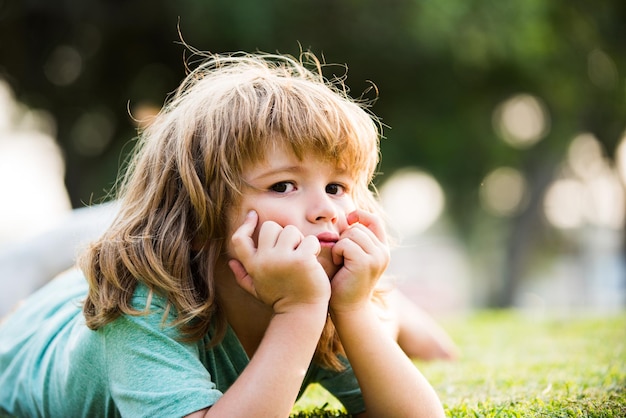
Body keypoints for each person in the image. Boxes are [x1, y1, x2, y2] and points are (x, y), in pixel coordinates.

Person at [0, 51, 447, 417]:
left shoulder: (317, 290)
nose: (326, 210)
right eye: (283, 186)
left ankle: (396, 310)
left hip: (191, 256)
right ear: (198, 213)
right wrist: (298, 313)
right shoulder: (141, 309)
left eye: (337, 187)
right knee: (112, 251)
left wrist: (353, 309)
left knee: (398, 320)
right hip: (37, 332)